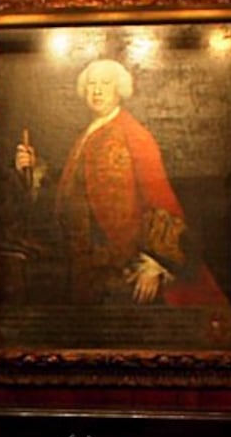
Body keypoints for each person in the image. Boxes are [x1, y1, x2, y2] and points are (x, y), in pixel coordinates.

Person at [12, 54, 196, 305]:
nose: (97, 91)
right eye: (91, 84)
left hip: (118, 263)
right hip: (79, 261)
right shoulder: (87, 133)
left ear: (119, 90)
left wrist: (155, 262)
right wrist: (34, 169)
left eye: (105, 84)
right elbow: (71, 193)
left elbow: (160, 196)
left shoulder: (134, 134)